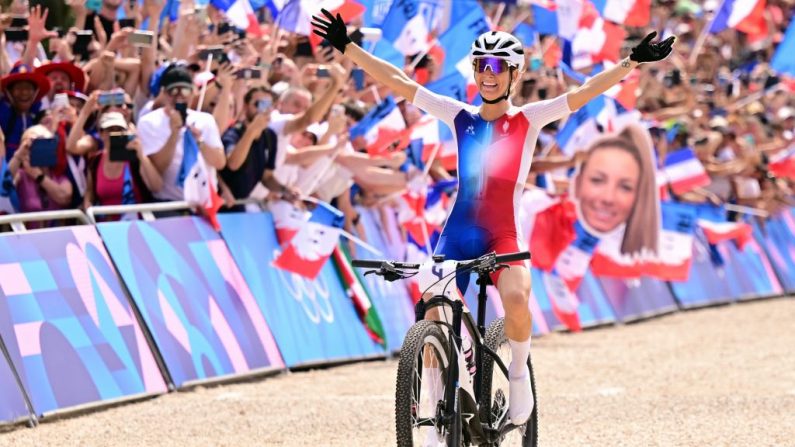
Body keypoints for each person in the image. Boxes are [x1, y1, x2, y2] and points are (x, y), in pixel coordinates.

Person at [312, 10, 674, 428]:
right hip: (458, 232)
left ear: (514, 75)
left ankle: (518, 375)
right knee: (433, 310)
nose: (488, 73)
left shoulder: (529, 119)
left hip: (503, 233)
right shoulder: (458, 114)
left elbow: (587, 91)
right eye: (482, 65)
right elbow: (400, 82)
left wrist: (632, 61)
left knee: (517, 298)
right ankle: (436, 405)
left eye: (498, 66)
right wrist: (350, 47)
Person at [136, 64, 226, 202]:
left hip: (205, 207)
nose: (179, 96)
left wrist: (200, 142)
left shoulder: (205, 120)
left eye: (185, 90)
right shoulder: (148, 123)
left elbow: (219, 163)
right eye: (173, 91)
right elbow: (157, 170)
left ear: (192, 92)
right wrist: (174, 134)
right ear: (164, 92)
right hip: (170, 205)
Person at [572, 123, 660, 256]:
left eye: (625, 187)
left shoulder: (640, 259)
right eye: (597, 180)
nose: (608, 198)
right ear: (577, 183)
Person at [0, 63, 50, 160]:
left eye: (29, 88)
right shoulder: (3, 114)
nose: (24, 92)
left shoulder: (36, 115)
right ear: (9, 92)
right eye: (19, 88)